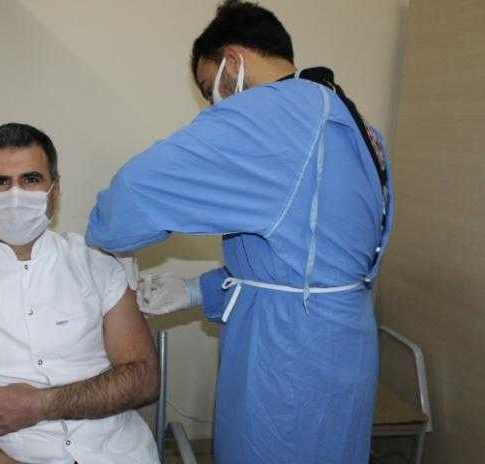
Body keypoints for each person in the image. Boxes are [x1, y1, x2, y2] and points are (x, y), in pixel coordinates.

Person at [85, 1, 393, 463]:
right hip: (344, 344)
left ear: (233, 60)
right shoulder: (353, 122)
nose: (215, 104)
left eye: (210, 87)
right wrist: (195, 290)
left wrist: (108, 236)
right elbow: (309, 264)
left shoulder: (266, 116)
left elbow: (129, 199)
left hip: (287, 360)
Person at [0, 123, 160, 464]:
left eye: (30, 179)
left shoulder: (98, 265)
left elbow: (144, 379)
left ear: (54, 189)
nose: (15, 194)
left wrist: (39, 404)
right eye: (0, 182)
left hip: (115, 453)